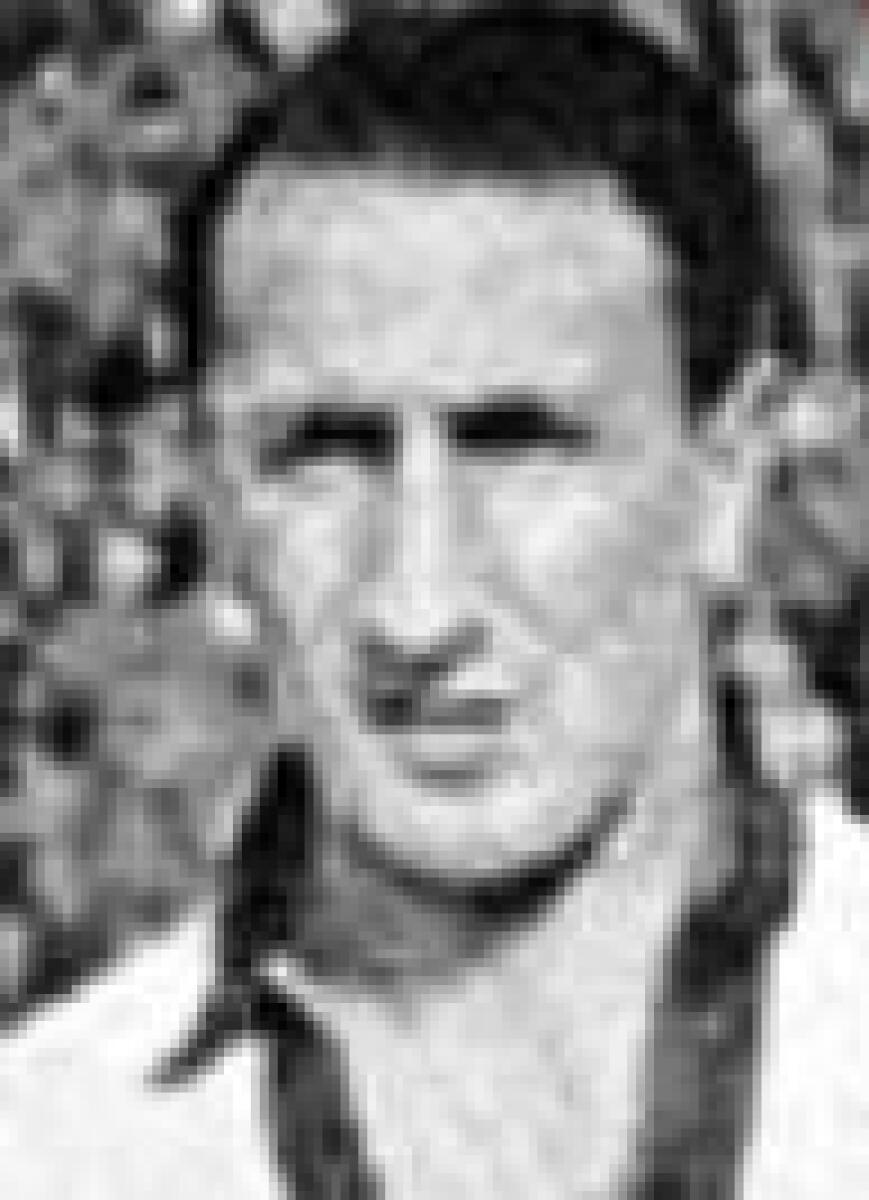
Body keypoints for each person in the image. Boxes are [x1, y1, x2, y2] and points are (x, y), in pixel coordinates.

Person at [3, 4, 819, 1197]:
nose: (415, 608)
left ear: (728, 474)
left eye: (518, 444)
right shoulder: (49, 1151)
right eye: (322, 454)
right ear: (212, 493)